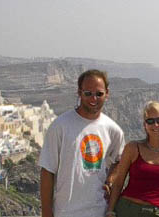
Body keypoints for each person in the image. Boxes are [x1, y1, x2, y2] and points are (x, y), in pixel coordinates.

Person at [38, 69, 125, 217]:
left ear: (107, 94)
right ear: (79, 92)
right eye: (88, 93)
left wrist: (110, 179)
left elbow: (119, 161)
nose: (94, 98)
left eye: (99, 94)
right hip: (66, 212)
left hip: (100, 211)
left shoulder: (114, 130)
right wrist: (46, 211)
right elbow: (47, 171)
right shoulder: (60, 126)